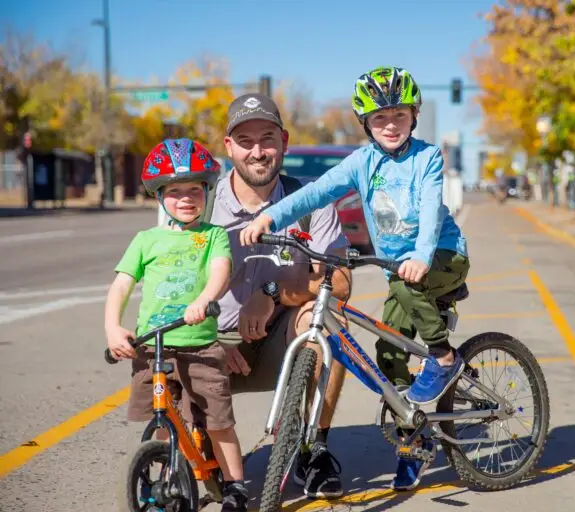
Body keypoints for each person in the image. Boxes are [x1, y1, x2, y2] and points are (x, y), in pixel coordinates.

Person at [239, 66, 470, 491]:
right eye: (379, 118)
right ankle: (413, 443)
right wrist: (270, 215)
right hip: (400, 270)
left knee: (405, 284)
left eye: (399, 116)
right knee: (389, 353)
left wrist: (419, 256)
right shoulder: (361, 162)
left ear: (414, 116)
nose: (390, 125)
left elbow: (432, 212)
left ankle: (442, 357)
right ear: (366, 123)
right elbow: (315, 192)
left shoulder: (427, 157)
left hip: (440, 257)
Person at [210, 92, 351, 499]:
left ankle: (314, 449)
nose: (258, 151)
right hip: (214, 344)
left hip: (281, 340)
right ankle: (197, 447)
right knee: (163, 344)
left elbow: (339, 283)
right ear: (229, 147)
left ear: (284, 141)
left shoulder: (311, 203)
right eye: (246, 140)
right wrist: (207, 338)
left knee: (327, 322)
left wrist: (272, 292)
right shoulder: (202, 206)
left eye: (267, 138)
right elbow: (172, 287)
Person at [105, 139, 248, 511]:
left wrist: (204, 300)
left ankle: (235, 485)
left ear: (206, 192)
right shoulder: (145, 240)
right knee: (157, 416)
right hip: (151, 346)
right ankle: (166, 460)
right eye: (174, 191)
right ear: (159, 196)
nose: (185, 198)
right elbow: (121, 284)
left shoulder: (213, 236)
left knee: (217, 420)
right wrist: (113, 327)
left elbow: (220, 271)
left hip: (199, 345)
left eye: (194, 190)